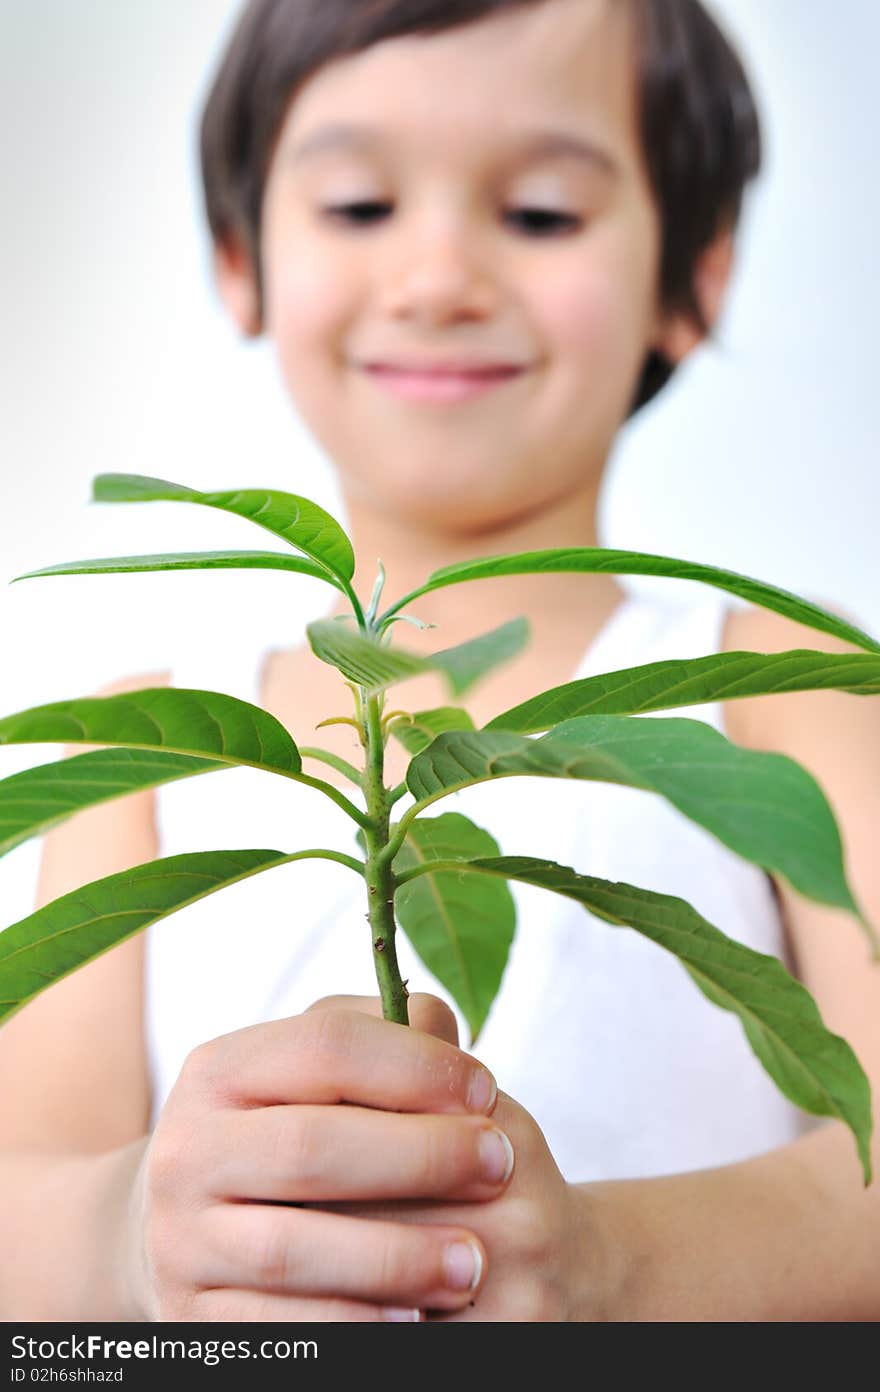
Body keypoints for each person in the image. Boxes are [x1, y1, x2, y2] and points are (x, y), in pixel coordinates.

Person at [1, 0, 879, 1322]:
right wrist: (135, 1240)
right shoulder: (140, 746)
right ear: (240, 257)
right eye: (359, 206)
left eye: (538, 215)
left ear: (694, 273)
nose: (438, 278)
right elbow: (23, 1190)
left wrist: (612, 1267)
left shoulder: (781, 684)